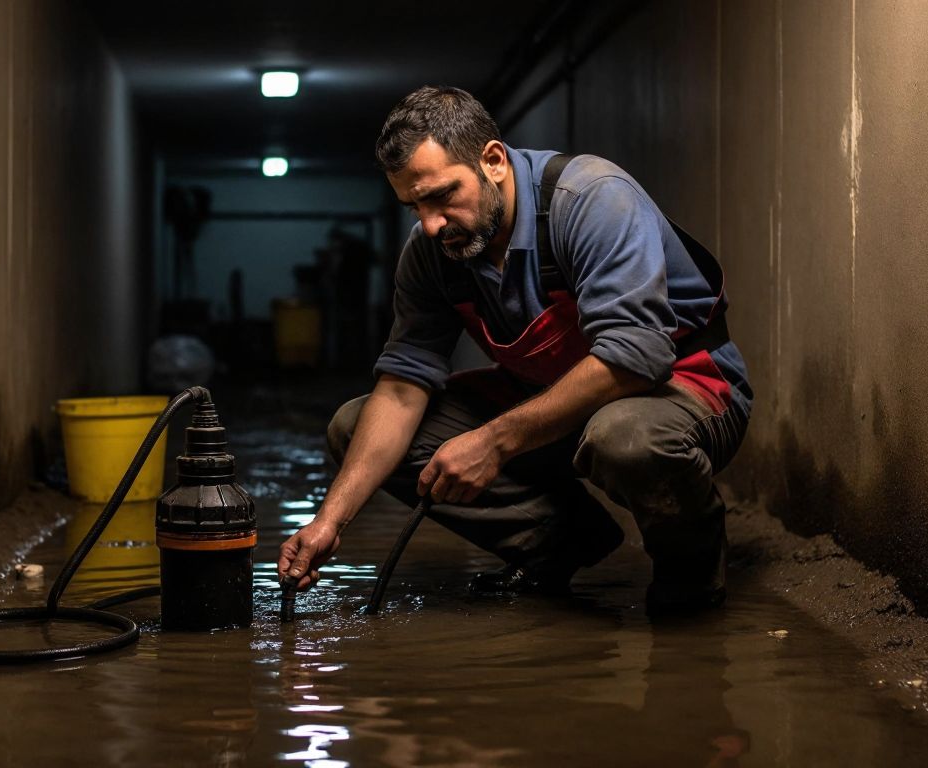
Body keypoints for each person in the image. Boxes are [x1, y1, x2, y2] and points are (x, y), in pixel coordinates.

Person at [277, 85, 752, 612]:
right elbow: (402, 387)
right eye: (414, 205)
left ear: (493, 161)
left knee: (626, 437)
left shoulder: (592, 199)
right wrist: (330, 519)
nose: (430, 223)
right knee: (353, 424)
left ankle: (691, 580)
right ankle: (559, 541)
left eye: (441, 196)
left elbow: (636, 355)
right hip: (551, 397)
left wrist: (495, 440)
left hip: (684, 387)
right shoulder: (432, 252)